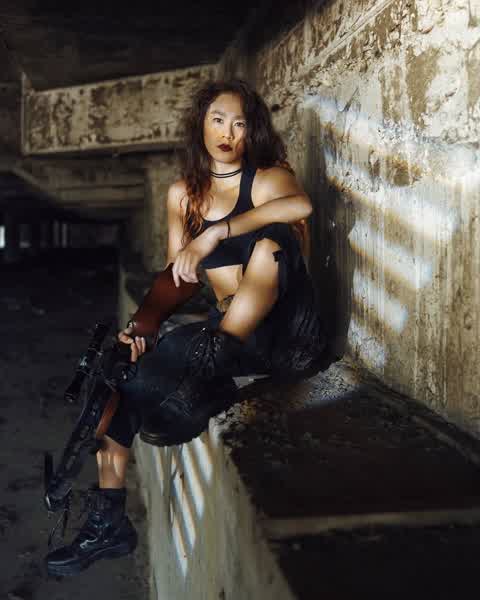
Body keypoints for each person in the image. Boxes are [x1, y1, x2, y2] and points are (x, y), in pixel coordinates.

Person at [45, 79, 328, 576]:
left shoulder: (267, 179)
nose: (228, 133)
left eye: (240, 124)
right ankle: (108, 521)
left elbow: (300, 207)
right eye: (218, 120)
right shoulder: (183, 195)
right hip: (224, 337)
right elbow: (178, 278)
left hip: (285, 336)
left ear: (252, 131)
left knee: (273, 243)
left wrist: (216, 233)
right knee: (120, 378)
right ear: (201, 124)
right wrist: (143, 325)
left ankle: (205, 375)